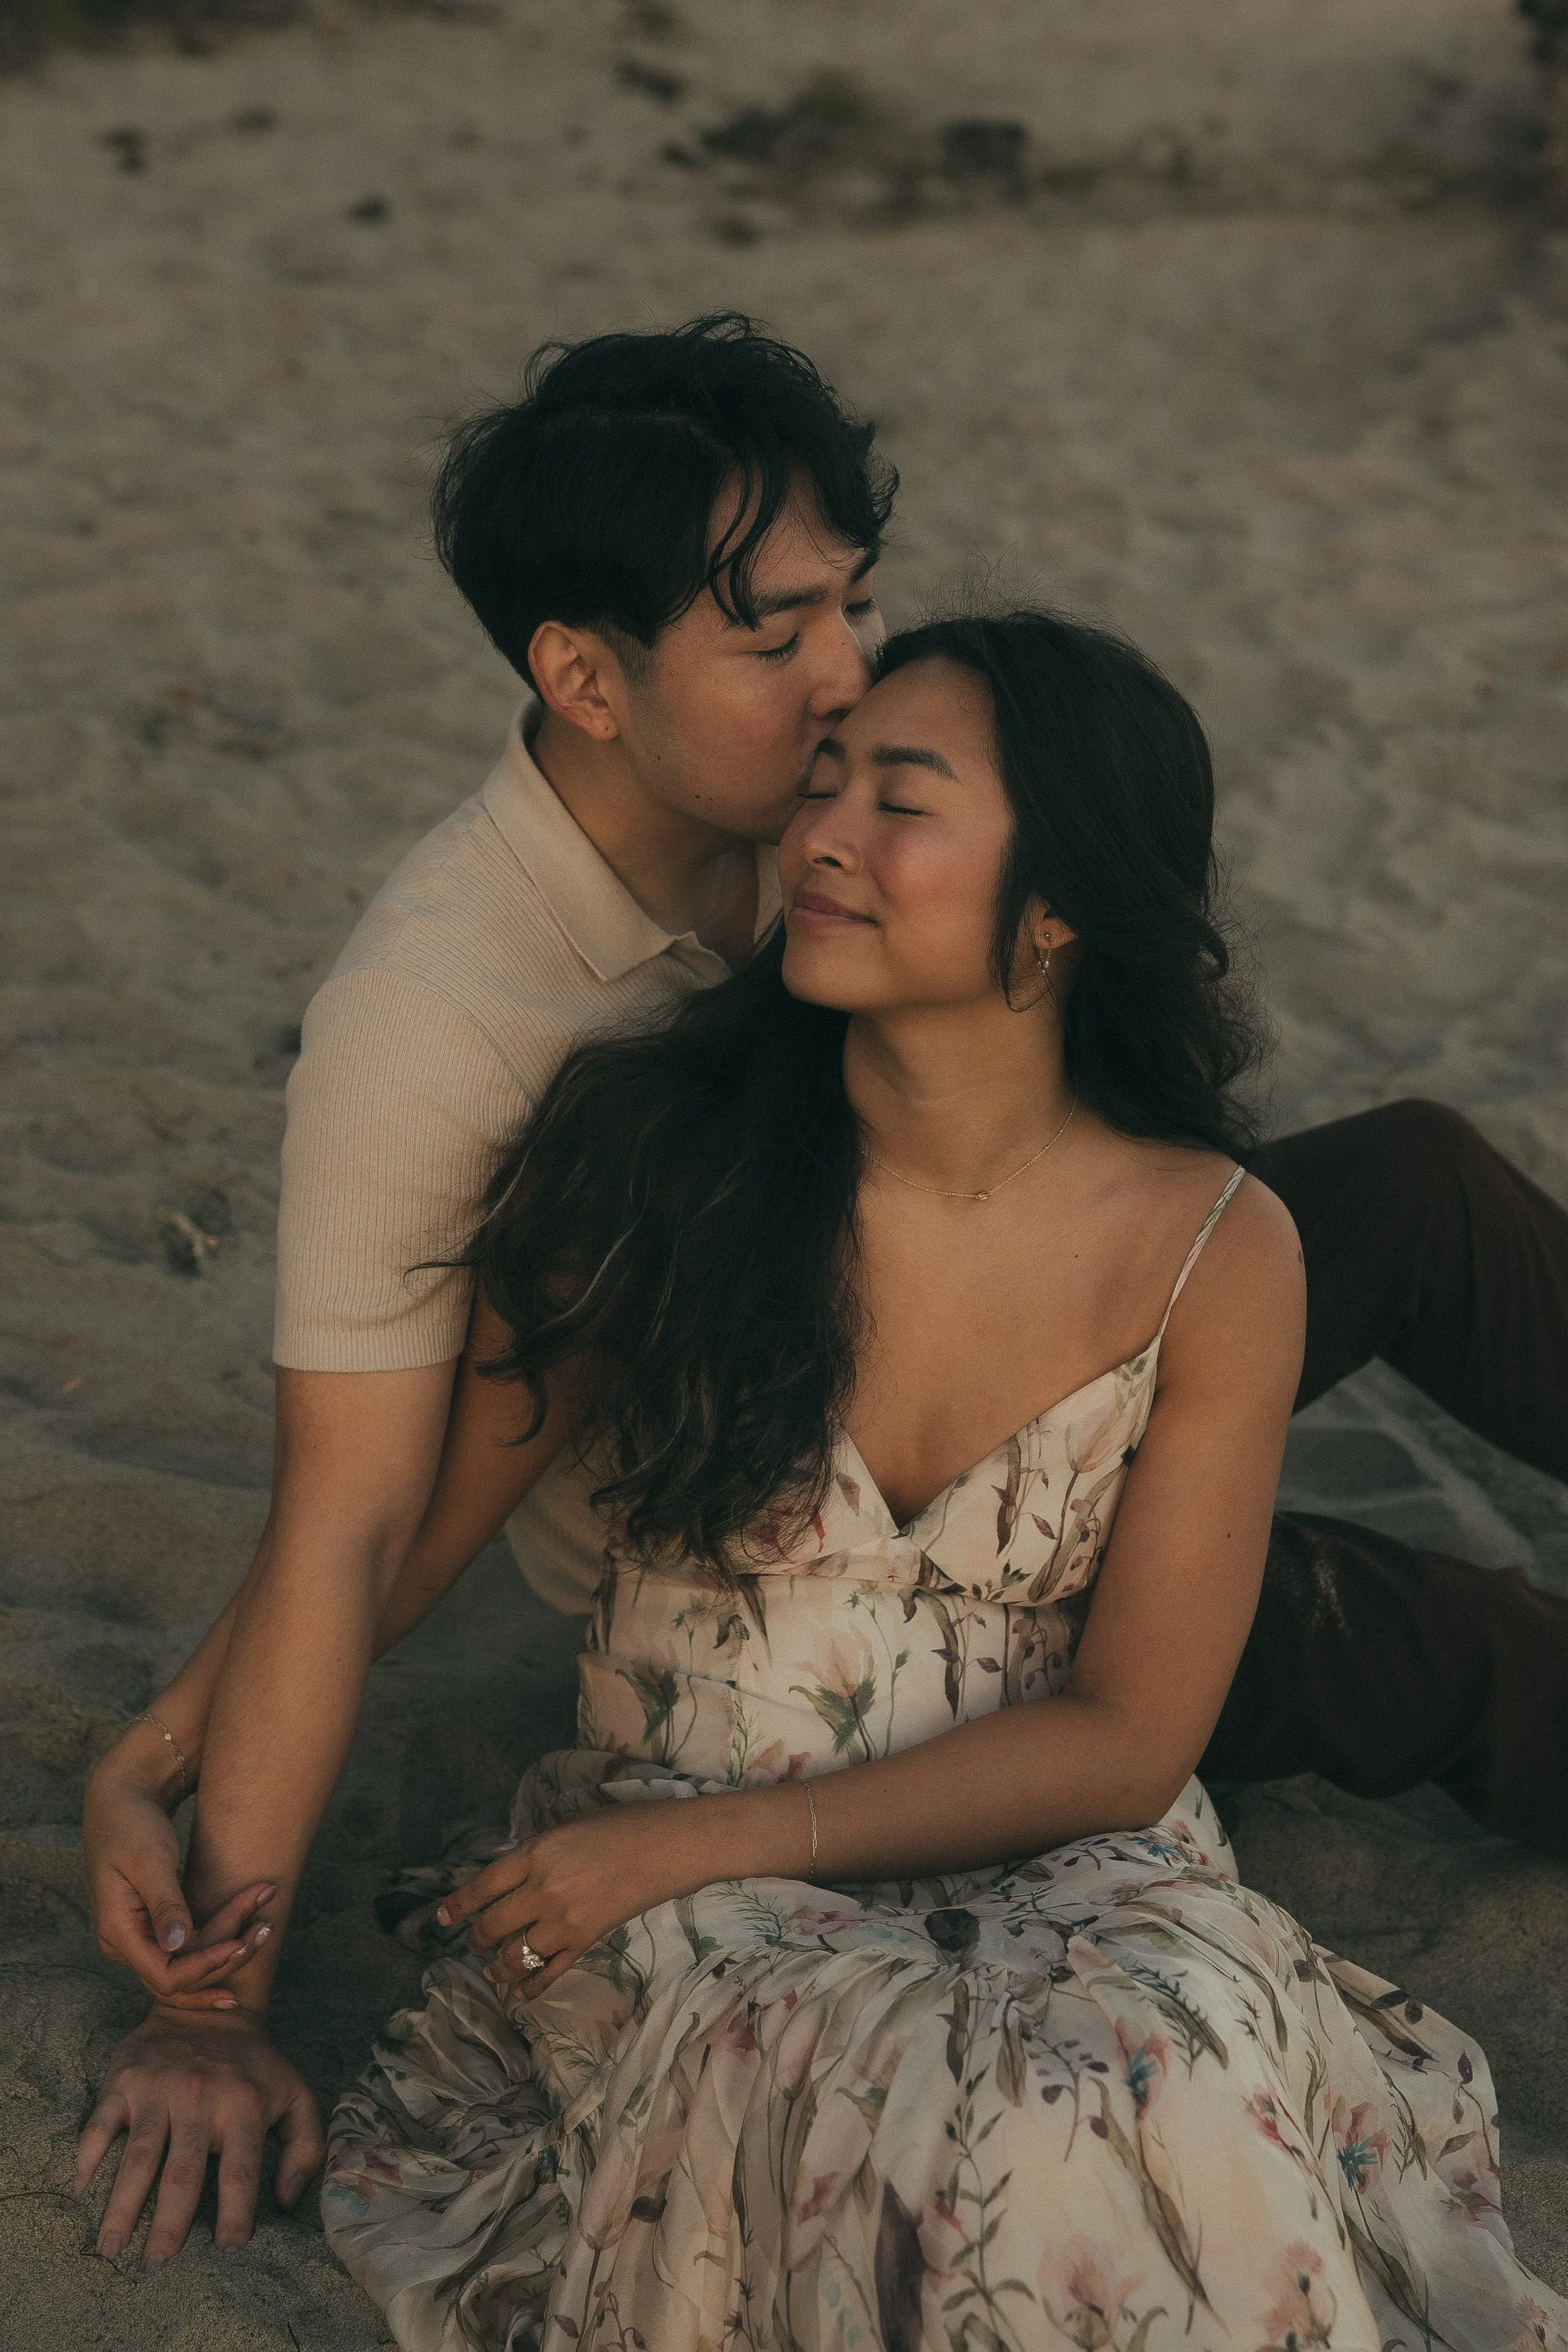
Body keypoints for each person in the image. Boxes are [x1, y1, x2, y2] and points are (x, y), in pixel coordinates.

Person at [73, 316, 1568, 2270]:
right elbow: (359, 1517)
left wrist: (138, 1753)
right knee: (1409, 1631)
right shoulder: (439, 1025)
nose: (842, 676)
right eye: (774, 640)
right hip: (804, 1534)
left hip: (999, 1295)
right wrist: (208, 1964)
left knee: (1418, 1187)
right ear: (585, 679)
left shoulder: (812, 818)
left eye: (846, 607)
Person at [319, 610, 1567, 2348]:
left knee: (1177, 2060)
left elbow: (1131, 1736)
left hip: (1056, 1847)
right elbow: (368, 1543)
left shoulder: (1212, 1238)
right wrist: (169, 1775)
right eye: (819, 778)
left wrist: (736, 1840)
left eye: (895, 797)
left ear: (1053, 909)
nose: (818, 830)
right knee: (980, 2123)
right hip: (694, 1875)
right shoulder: (659, 1161)